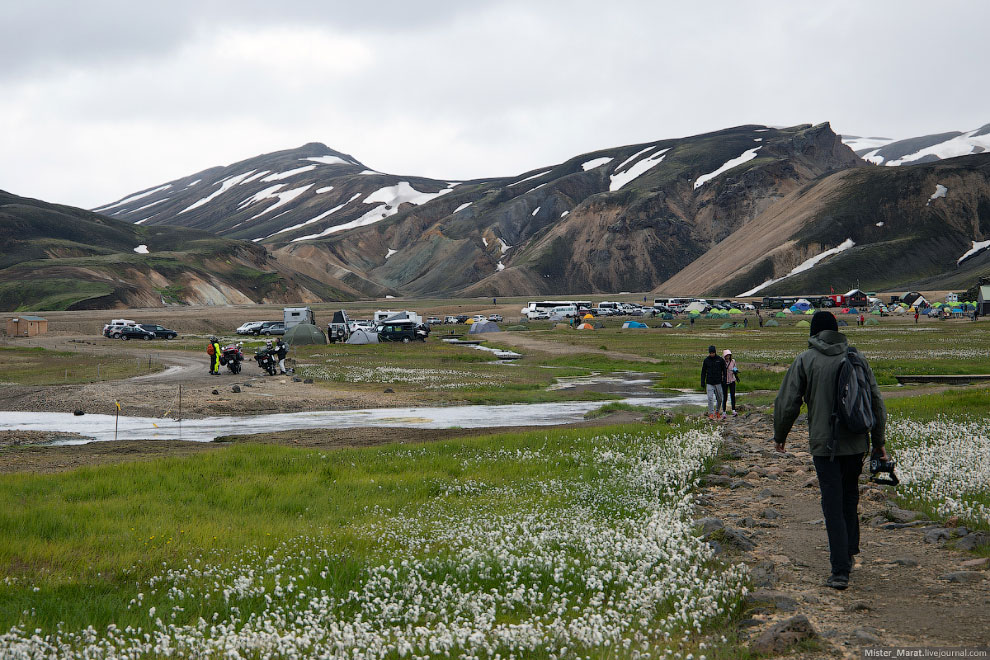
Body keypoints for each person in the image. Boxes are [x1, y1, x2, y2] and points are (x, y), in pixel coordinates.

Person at [773, 311, 887, 591]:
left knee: (831, 503)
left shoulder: (806, 359)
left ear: (814, 333)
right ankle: (849, 551)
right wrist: (879, 442)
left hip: (825, 446)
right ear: (837, 331)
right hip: (857, 443)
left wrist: (780, 435)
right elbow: (876, 402)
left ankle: (840, 570)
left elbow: (788, 401)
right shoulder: (856, 357)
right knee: (849, 496)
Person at [701, 345, 727, 420]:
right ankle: (711, 413)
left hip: (718, 382)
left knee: (720, 399)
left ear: (715, 352)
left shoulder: (720, 360)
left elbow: (724, 369)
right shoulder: (706, 360)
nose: (711, 354)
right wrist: (702, 381)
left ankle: (717, 411)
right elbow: (703, 372)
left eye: (712, 353)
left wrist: (724, 378)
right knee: (710, 398)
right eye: (710, 353)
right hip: (709, 382)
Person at [721, 349, 739, 416]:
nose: (727, 357)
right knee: (725, 396)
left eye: (728, 355)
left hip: (732, 380)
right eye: (726, 355)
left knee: (732, 395)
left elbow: (735, 368)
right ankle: (724, 411)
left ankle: (733, 410)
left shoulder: (733, 361)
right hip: (725, 381)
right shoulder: (722, 362)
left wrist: (736, 372)